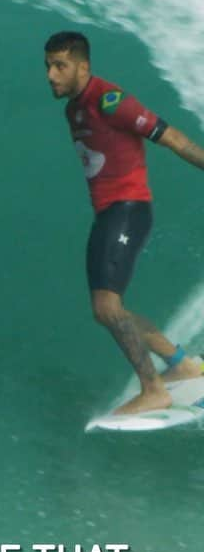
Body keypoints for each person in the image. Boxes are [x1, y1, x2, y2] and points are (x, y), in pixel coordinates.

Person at [45, 30, 204, 416]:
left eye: (60, 66)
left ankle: (154, 390)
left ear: (83, 67)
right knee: (110, 310)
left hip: (127, 208)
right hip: (109, 212)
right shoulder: (74, 109)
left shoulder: (109, 99)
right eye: (48, 66)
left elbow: (171, 138)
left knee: (106, 307)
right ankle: (181, 363)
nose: (51, 75)